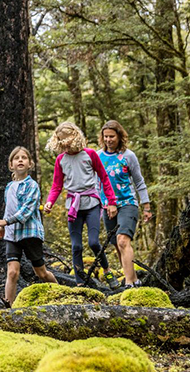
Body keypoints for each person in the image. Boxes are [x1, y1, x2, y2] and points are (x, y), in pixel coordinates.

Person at [43, 122, 117, 286]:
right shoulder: (61, 160)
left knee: (93, 242)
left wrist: (111, 202)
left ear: (75, 137)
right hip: (73, 207)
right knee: (76, 246)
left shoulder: (90, 154)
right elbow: (57, 185)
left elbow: (104, 178)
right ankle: (79, 283)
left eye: (67, 140)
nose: (65, 144)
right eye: (61, 141)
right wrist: (50, 202)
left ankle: (107, 271)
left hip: (91, 203)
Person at [0, 146, 58, 305]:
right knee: (12, 272)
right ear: (11, 165)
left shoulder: (32, 185)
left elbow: (27, 210)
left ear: (30, 164)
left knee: (41, 273)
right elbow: (9, 208)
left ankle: (60, 293)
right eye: (16, 158)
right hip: (12, 234)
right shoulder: (9, 187)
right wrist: (3, 226)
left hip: (29, 233)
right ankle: (9, 306)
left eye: (24, 158)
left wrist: (5, 221)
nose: (20, 160)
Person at [97, 120, 151, 288]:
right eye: (105, 137)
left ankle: (128, 283)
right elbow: (95, 182)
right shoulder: (98, 156)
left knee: (123, 241)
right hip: (107, 206)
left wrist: (147, 206)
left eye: (112, 136)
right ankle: (134, 279)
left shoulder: (128, 156)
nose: (108, 140)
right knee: (116, 244)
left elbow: (139, 182)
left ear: (119, 136)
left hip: (127, 203)